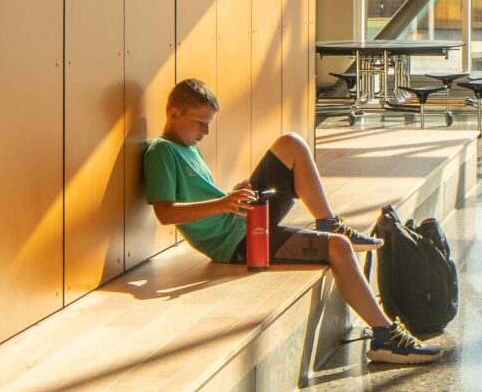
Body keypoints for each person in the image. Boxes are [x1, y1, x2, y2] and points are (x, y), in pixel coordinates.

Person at [142, 78, 442, 364]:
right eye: (200, 123)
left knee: (291, 144)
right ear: (174, 114)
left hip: (241, 218)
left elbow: (200, 196)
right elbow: (166, 213)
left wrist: (232, 195)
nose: (206, 131)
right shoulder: (161, 152)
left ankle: (327, 221)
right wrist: (224, 203)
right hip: (237, 242)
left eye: (209, 123)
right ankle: (384, 337)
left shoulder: (187, 145)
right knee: (338, 247)